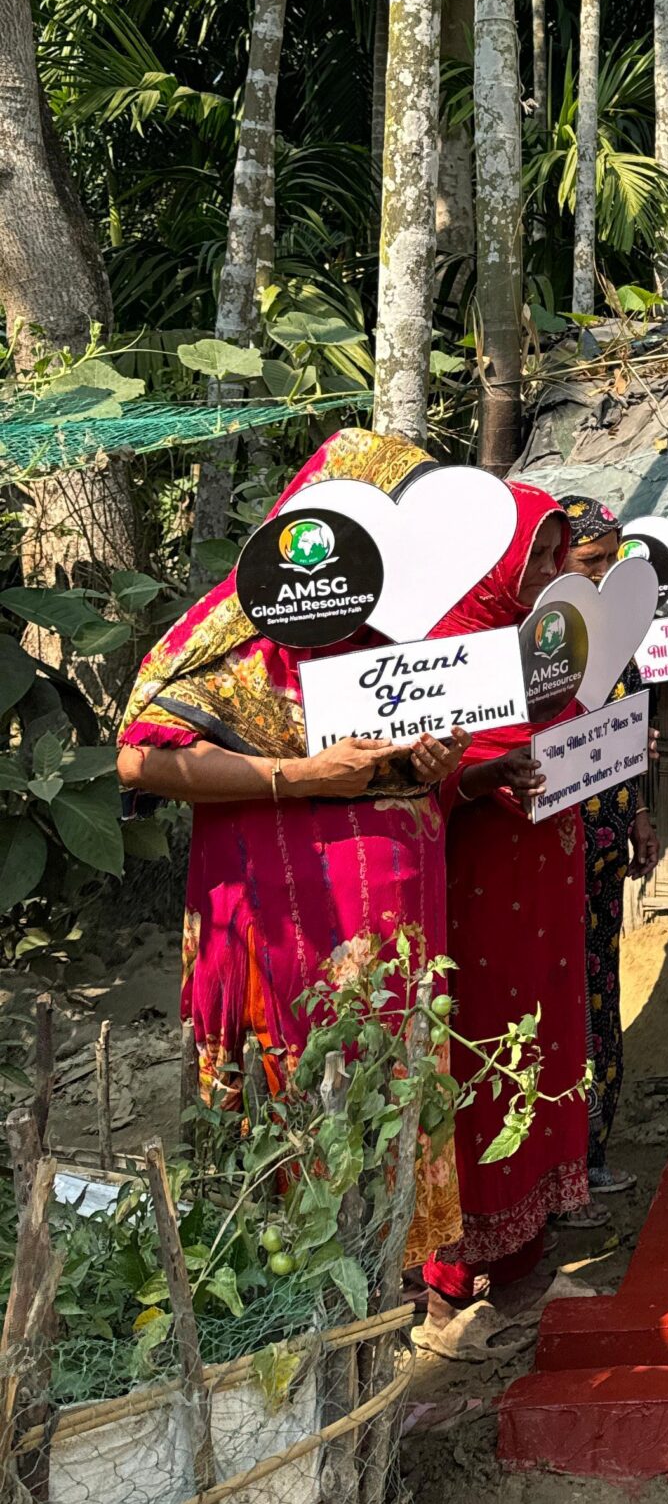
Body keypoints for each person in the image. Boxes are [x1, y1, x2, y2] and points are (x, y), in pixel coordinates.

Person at [117, 428, 469, 1259]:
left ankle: (386, 1273)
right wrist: (299, 775)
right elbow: (139, 759)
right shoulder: (232, 633)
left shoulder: (406, 631)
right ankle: (269, 1264)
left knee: (386, 1085)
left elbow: (429, 765)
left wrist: (435, 761)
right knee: (282, 1093)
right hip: (276, 919)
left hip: (389, 923)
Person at [420, 486, 594, 1310]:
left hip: (547, 882)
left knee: (542, 1037)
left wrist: (612, 746)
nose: (555, 572)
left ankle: (529, 1236)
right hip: (478, 890)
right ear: (494, 562)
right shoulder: (438, 648)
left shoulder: (549, 646)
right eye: (541, 557)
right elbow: (407, 772)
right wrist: (484, 774)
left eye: (558, 555)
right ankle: (465, 1256)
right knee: (483, 1049)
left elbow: (575, 730)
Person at [557, 495, 662, 1195]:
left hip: (602, 859)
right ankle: (561, 1164)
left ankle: (592, 1154)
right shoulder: (539, 644)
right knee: (559, 1000)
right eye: (590, 562)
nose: (603, 575)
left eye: (612, 561)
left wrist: (640, 817)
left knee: (600, 993)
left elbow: (627, 737)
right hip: (551, 860)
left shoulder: (618, 639)